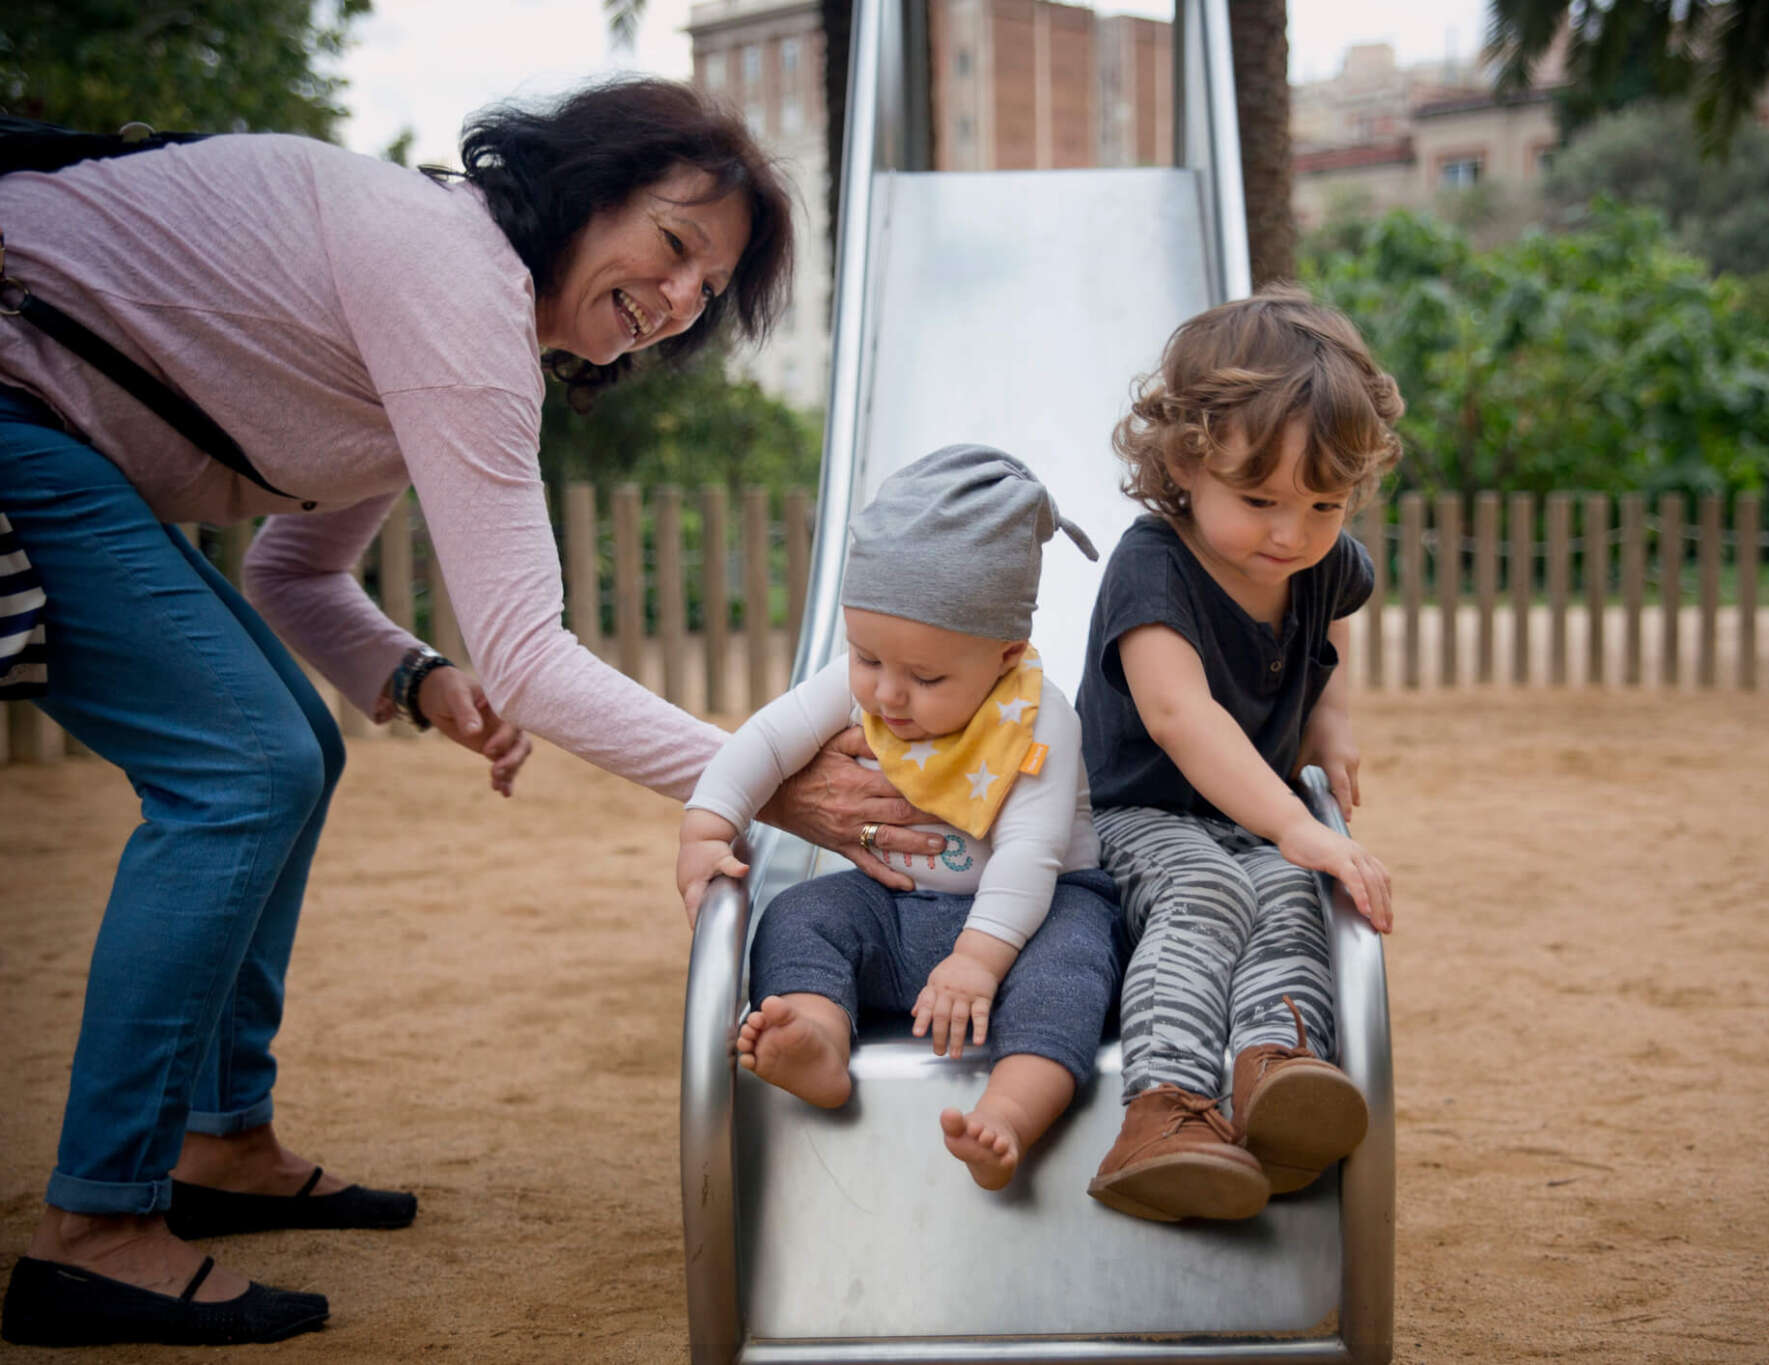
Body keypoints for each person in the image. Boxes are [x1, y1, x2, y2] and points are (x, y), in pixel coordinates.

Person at [0, 79, 939, 1348]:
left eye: (705, 295)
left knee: (289, 752)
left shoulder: (448, 303)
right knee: (246, 764)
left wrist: (418, 677)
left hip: (55, 422)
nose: (674, 304)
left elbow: (296, 571)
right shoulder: (452, 275)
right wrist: (763, 775)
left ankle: (221, 1140)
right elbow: (536, 658)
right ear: (585, 189)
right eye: (671, 247)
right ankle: (99, 1227)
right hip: (20, 400)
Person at [676, 445, 1124, 1192]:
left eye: (926, 676)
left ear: (1006, 653)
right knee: (798, 914)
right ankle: (817, 1036)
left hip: (1029, 920)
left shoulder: (1037, 716)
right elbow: (763, 739)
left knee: (1074, 965)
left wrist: (979, 960)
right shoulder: (862, 684)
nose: (887, 694)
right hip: (898, 908)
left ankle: (1011, 1113)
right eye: (866, 657)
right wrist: (706, 827)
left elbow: (1031, 853)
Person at [1077, 287, 1402, 1224]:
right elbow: (1181, 718)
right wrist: (1300, 825)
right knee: (1213, 890)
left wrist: (1332, 723)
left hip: (1250, 815)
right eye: (1259, 500)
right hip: (1139, 813)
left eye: (1324, 503)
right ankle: (1164, 1108)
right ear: (1188, 459)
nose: (1291, 534)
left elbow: (1336, 617)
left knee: (1294, 895)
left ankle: (1277, 1077)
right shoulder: (1153, 565)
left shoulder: (1315, 562)